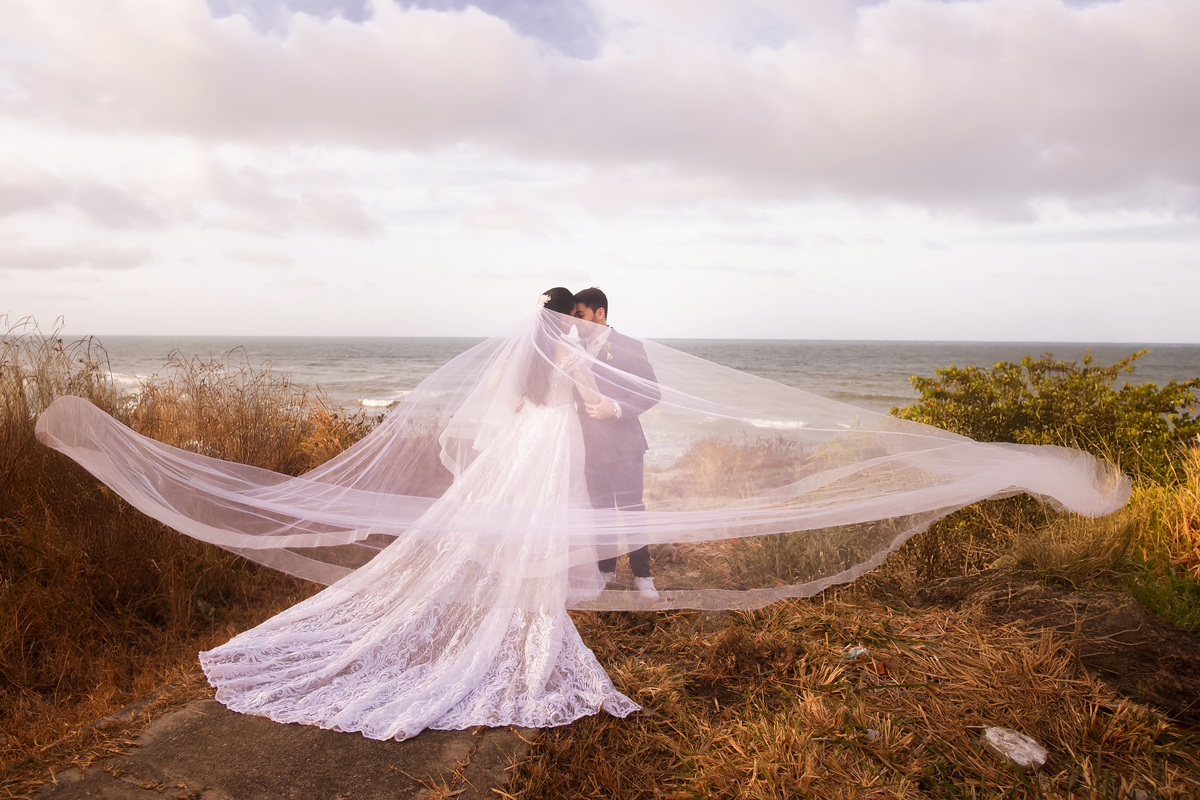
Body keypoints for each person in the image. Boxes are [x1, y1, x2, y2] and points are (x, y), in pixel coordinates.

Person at [33, 290, 1131, 741]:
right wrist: (577, 393)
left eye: (583, 318)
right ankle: (529, 605)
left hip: (586, 445)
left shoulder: (605, 352)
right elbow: (525, 398)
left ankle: (585, 585)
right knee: (532, 528)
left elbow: (583, 394)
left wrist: (602, 393)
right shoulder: (545, 364)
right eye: (573, 318)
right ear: (564, 320)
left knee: (572, 524)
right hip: (551, 442)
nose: (578, 327)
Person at [572, 287, 661, 600]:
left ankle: (643, 576)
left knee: (631, 510)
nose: (574, 321)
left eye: (579, 315)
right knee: (599, 511)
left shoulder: (628, 346)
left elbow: (652, 392)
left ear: (599, 313)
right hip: (589, 446)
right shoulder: (573, 349)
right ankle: (605, 570)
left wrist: (617, 408)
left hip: (625, 445)